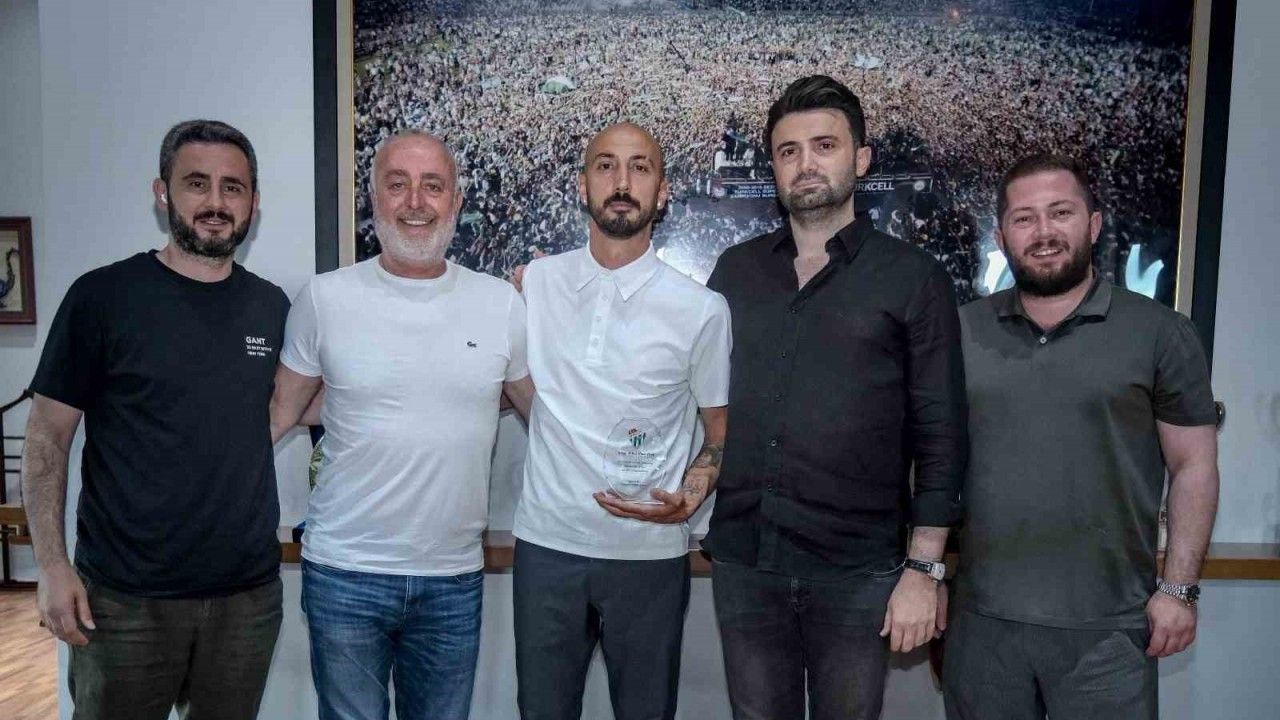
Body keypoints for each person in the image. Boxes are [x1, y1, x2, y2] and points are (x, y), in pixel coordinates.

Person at [703, 75, 967, 720]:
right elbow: (700, 401)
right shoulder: (734, 272)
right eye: (788, 151)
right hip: (746, 559)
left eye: (825, 146)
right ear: (772, 167)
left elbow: (941, 433)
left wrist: (925, 570)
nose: (806, 164)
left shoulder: (913, 278)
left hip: (858, 569)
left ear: (861, 158)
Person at [22, 119, 288, 719]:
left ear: (253, 203)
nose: (215, 202)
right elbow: (46, 438)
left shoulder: (271, 306)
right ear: (162, 192)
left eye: (233, 187)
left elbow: (297, 404)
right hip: (123, 602)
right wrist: (51, 565)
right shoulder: (101, 298)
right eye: (197, 183)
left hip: (245, 600)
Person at [943, 153, 1220, 720]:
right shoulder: (959, 332)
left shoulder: (1161, 333)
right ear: (1001, 237)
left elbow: (1193, 465)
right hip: (982, 627)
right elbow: (929, 460)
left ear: (1093, 224)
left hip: (1110, 632)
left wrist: (1179, 589)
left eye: (1061, 212)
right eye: (1024, 218)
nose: (1043, 232)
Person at [268, 129, 531, 720]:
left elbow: (540, 409)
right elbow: (281, 414)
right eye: (397, 184)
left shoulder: (501, 304)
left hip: (452, 578)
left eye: (432, 186)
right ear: (374, 197)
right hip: (344, 573)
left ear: (455, 200)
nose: (415, 202)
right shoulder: (324, 298)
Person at [512, 122, 731, 720]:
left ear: (663, 191)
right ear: (582, 185)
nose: (622, 182)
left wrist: (690, 498)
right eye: (605, 165)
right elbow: (512, 383)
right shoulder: (534, 283)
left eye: (640, 167)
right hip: (546, 549)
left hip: (649, 556)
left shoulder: (703, 310)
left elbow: (719, 432)